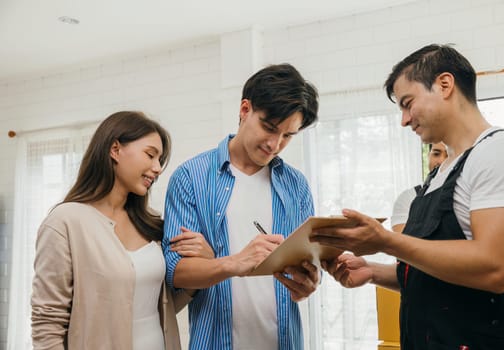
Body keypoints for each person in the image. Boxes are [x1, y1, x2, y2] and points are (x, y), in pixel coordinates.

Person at [311, 44, 504, 349]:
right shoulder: (439, 175)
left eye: (407, 103)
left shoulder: (500, 151)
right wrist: (374, 272)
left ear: (445, 84)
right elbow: (439, 277)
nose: (403, 119)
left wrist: (384, 241)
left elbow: (497, 269)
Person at [163, 63, 321, 350]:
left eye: (288, 136)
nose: (275, 144)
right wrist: (234, 262)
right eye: (270, 128)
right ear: (245, 110)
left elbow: (304, 265)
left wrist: (307, 284)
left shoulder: (296, 185)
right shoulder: (191, 177)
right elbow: (175, 272)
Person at [31, 111, 214, 350]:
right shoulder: (65, 222)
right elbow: (47, 323)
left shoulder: (152, 224)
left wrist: (205, 265)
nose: (157, 168)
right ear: (115, 149)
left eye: (160, 160)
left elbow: (161, 306)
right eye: (150, 155)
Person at [391, 142, 447, 232]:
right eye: (436, 154)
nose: (441, 161)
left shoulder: (466, 194)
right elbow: (403, 242)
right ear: (428, 156)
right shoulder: (407, 198)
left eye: (449, 155)